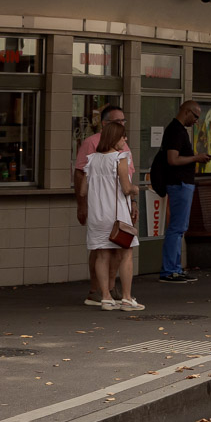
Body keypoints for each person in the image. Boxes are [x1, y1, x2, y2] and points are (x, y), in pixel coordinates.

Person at [75, 104, 130, 307]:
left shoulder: (122, 146)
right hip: (107, 208)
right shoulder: (92, 145)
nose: (122, 126)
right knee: (103, 250)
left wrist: (133, 204)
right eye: (118, 122)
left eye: (124, 121)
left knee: (111, 250)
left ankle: (109, 289)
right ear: (105, 124)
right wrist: (81, 206)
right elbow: (80, 174)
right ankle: (97, 289)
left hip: (118, 208)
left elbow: (127, 174)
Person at [84, 120, 142, 311]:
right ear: (114, 138)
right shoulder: (120, 158)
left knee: (102, 254)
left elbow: (83, 190)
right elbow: (126, 188)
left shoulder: (91, 159)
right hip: (117, 215)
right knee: (126, 254)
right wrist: (136, 189)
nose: (125, 139)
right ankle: (126, 298)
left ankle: (106, 298)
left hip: (96, 215)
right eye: (123, 136)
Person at [159, 101, 210, 283]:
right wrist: (196, 157)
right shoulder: (176, 130)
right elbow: (172, 159)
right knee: (177, 227)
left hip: (182, 183)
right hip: (179, 183)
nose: (196, 121)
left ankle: (175, 268)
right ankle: (170, 269)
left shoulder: (178, 130)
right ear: (187, 112)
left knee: (180, 228)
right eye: (195, 116)